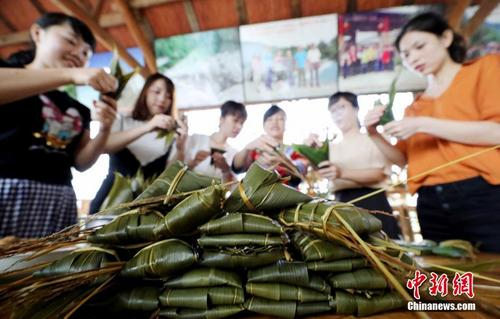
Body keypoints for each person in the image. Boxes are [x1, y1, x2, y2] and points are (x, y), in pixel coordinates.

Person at [364, 12, 500, 252]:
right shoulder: (414, 107)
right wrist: (374, 133)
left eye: (419, 46)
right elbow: (402, 159)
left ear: (446, 38)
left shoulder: (484, 69)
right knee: (447, 275)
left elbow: (495, 133)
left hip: (483, 192)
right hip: (429, 202)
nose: (413, 57)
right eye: (405, 55)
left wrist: (422, 124)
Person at [0, 12, 118, 238]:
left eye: (86, 53)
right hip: (7, 194)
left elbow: (81, 162)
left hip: (58, 202)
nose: (78, 54)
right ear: (37, 33)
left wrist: (104, 129)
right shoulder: (6, 74)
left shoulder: (78, 109)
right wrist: (70, 74)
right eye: (71, 41)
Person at [306, 92, 400, 238]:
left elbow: (379, 174)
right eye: (333, 111)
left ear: (356, 108)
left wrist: (341, 173)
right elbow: (323, 173)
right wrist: (311, 154)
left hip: (373, 203)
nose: (337, 114)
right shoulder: (330, 147)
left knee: (383, 252)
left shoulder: (374, 137)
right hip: (341, 205)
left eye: (341, 107)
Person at [90, 73, 180, 214]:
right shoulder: (123, 119)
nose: (162, 99)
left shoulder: (171, 135)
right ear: (145, 92)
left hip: (147, 208)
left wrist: (182, 145)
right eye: (157, 91)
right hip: (110, 200)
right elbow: (104, 146)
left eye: (169, 96)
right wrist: (148, 126)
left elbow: (170, 175)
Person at [168, 101, 247, 182]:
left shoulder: (234, 155)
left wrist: (226, 169)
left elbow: (233, 188)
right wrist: (192, 163)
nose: (239, 126)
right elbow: (169, 172)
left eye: (242, 123)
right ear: (221, 119)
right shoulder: (196, 139)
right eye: (235, 120)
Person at [233, 105, 307, 188]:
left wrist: (284, 162)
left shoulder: (294, 150)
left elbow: (301, 174)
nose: (274, 122)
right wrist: (246, 148)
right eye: (270, 119)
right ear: (264, 126)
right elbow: (237, 167)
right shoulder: (254, 151)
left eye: (280, 119)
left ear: (286, 125)